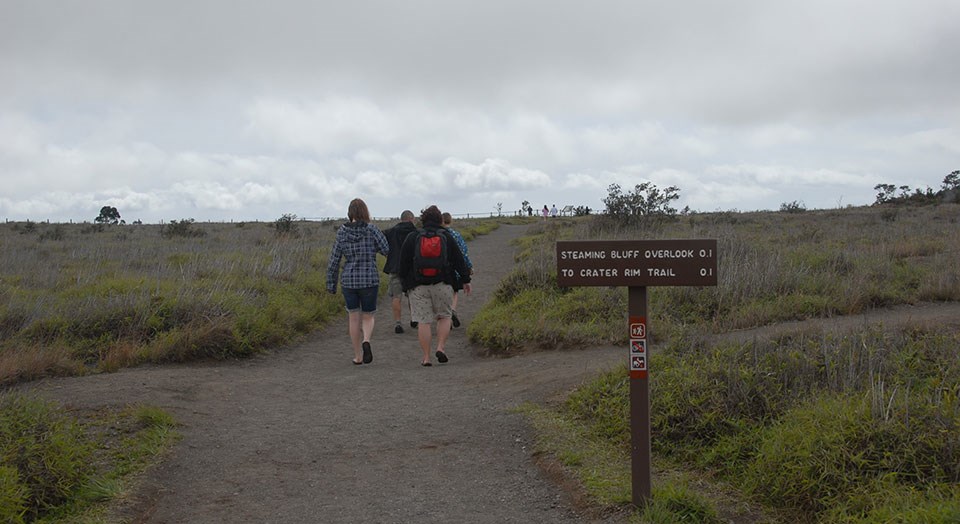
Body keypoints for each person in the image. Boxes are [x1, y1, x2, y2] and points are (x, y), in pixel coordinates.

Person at [398, 205, 471, 366]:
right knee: (444, 317)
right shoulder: (446, 236)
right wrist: (465, 280)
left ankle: (426, 357)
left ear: (423, 219)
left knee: (424, 322)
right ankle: (441, 347)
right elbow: (459, 260)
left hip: (418, 286)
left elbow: (402, 264)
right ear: (440, 219)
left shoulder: (413, 237)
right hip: (443, 283)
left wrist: (405, 285)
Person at [325, 198, 389, 365]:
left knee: (353, 317)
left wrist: (331, 285)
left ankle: (357, 356)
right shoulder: (372, 230)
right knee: (368, 316)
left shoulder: (342, 232)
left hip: (349, 280)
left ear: (350, 213)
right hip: (369, 279)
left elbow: (334, 260)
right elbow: (386, 249)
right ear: (365, 212)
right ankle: (366, 340)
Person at [382, 210, 418, 333]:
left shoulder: (391, 232)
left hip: (395, 267)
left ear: (401, 218)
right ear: (411, 218)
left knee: (396, 296)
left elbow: (380, 242)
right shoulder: (416, 233)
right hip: (411, 269)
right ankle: (414, 318)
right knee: (412, 295)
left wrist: (388, 255)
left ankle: (398, 322)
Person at [441, 212, 473, 328]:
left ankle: (447, 316)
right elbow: (463, 253)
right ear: (451, 221)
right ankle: (452, 310)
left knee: (444, 293)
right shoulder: (456, 235)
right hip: (456, 270)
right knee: (454, 292)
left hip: (442, 270)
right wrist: (469, 267)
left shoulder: (439, 235)